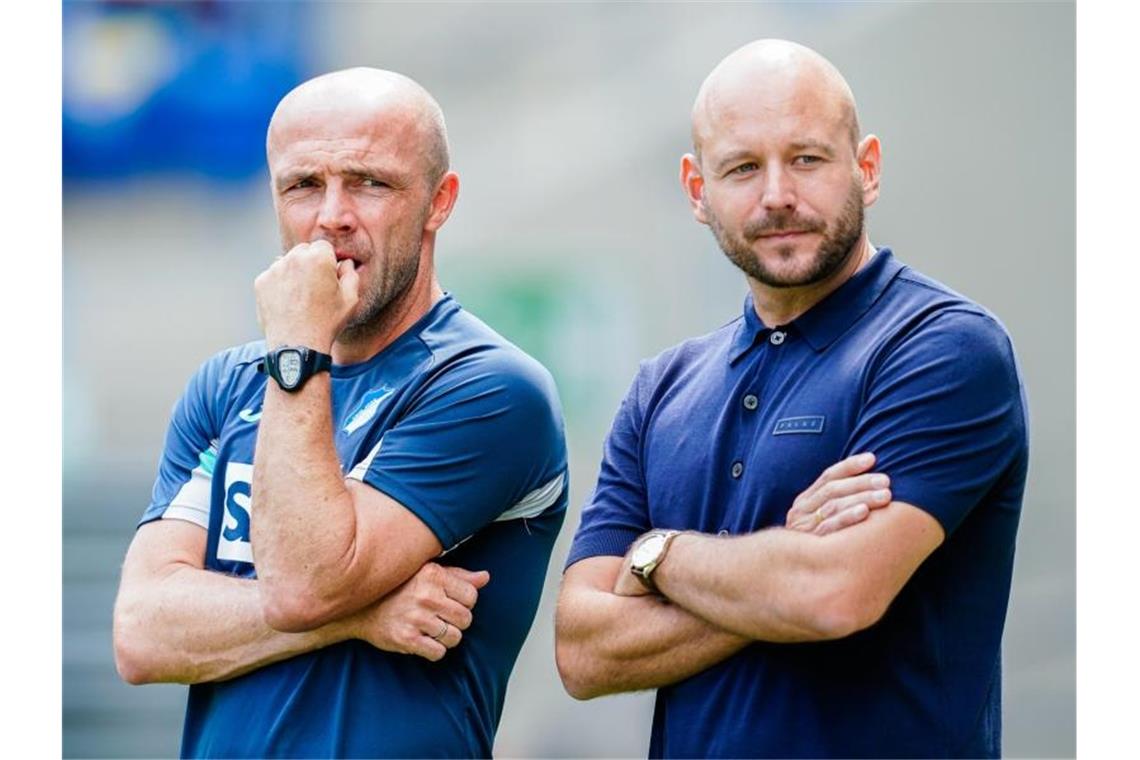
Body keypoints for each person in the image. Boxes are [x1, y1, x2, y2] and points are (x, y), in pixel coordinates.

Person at [555, 39, 1028, 759]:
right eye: (743, 167)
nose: (777, 194)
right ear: (696, 191)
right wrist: (779, 570)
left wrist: (657, 555)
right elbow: (583, 652)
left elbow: (835, 595)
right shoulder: (661, 390)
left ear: (866, 169)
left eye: (806, 158)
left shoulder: (943, 349)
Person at [112, 68, 568, 758]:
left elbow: (306, 583)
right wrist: (360, 617)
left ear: (438, 201)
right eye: (303, 186)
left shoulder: (489, 388)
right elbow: (142, 633)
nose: (331, 217)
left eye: (369, 182)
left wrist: (297, 346)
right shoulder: (225, 386)